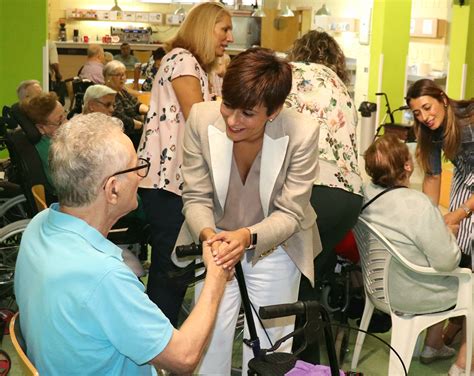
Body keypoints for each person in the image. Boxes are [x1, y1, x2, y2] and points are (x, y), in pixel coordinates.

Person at [14, 113, 231, 375]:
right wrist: (217, 277)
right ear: (112, 189)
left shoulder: (38, 225)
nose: (141, 175)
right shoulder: (103, 276)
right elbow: (184, 358)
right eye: (136, 166)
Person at [174, 47, 321, 374]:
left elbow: (291, 213)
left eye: (247, 114)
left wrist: (247, 236)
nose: (232, 120)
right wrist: (210, 237)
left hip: (276, 248)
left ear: (274, 110)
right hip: (215, 243)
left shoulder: (302, 132)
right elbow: (195, 197)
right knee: (208, 340)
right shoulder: (200, 118)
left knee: (272, 348)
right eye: (228, 105)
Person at [137, 1, 234, 327]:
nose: (229, 37)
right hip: (167, 182)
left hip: (176, 181)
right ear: (206, 29)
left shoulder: (197, 66)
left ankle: (161, 341)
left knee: (174, 269)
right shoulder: (182, 61)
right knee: (171, 271)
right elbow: (199, 117)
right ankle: (158, 346)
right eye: (224, 29)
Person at [285, 30, 363, 362]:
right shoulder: (341, 87)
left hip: (310, 187)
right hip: (347, 197)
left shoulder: (290, 75)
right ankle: (312, 365)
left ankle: (294, 363)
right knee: (312, 282)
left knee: (291, 284)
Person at [362, 134, 460, 366]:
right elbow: (447, 262)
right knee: (461, 277)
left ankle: (430, 344)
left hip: (377, 287)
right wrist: (450, 236)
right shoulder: (418, 204)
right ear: (407, 165)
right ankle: (439, 348)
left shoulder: (366, 195)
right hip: (412, 293)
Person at [406, 79, 474, 375]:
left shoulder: (469, 125)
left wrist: (458, 214)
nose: (423, 117)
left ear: (443, 99)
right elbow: (433, 177)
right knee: (452, 258)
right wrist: (430, 221)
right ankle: (434, 342)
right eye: (417, 112)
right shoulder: (430, 132)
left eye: (427, 107)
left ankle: (464, 359)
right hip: (466, 180)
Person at [20, 92, 66, 195]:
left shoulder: (51, 141)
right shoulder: (50, 150)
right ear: (41, 128)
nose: (67, 123)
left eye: (65, 115)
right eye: (59, 122)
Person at [104, 60, 149, 149]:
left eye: (123, 74)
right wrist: (143, 126)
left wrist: (150, 111)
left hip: (136, 131)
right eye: (118, 75)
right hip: (124, 136)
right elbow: (121, 119)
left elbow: (136, 105)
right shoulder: (108, 94)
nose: (122, 78)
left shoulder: (122, 90)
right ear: (108, 77)